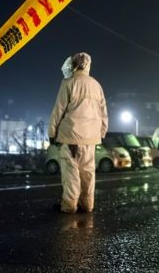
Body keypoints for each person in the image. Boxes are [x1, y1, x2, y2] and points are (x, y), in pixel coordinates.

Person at [48, 53, 108, 213]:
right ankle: (87, 205)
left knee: (71, 173)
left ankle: (69, 206)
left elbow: (58, 110)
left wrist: (52, 132)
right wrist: (102, 132)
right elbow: (103, 113)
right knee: (88, 173)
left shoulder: (69, 83)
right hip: (91, 139)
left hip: (71, 137)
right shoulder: (96, 85)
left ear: (74, 65)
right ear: (88, 65)